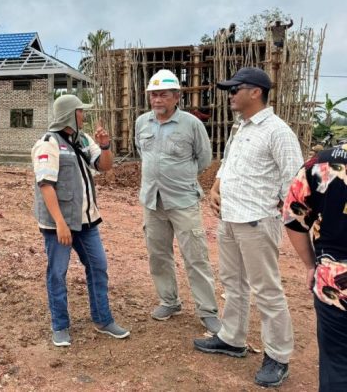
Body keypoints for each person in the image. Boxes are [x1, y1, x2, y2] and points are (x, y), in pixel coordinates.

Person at [193, 67, 303, 388]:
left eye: (234, 89)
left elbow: (293, 182)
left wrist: (282, 220)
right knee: (233, 283)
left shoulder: (278, 132)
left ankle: (278, 356)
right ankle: (232, 338)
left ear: (255, 92)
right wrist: (216, 186)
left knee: (267, 290)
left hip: (257, 222)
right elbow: (228, 163)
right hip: (229, 219)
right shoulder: (239, 127)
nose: (229, 94)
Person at [32, 94, 130, 347]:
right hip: (59, 225)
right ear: (69, 115)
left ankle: (103, 319)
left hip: (87, 222)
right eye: (80, 112)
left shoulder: (82, 140)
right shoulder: (47, 144)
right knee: (57, 273)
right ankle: (60, 326)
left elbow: (105, 166)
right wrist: (60, 223)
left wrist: (106, 146)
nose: (84, 116)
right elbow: (45, 185)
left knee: (98, 267)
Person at [134, 69, 220, 333]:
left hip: (182, 200)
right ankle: (169, 301)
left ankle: (208, 311)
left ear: (176, 97)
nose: (157, 100)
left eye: (162, 94)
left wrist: (179, 177)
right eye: (153, 95)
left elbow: (204, 159)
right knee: (158, 255)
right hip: (152, 200)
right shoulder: (142, 123)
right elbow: (142, 152)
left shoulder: (191, 124)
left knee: (196, 257)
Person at [282, 141, 347, 391]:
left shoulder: (322, 162)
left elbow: (293, 216)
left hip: (335, 284)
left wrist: (312, 265)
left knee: (338, 368)